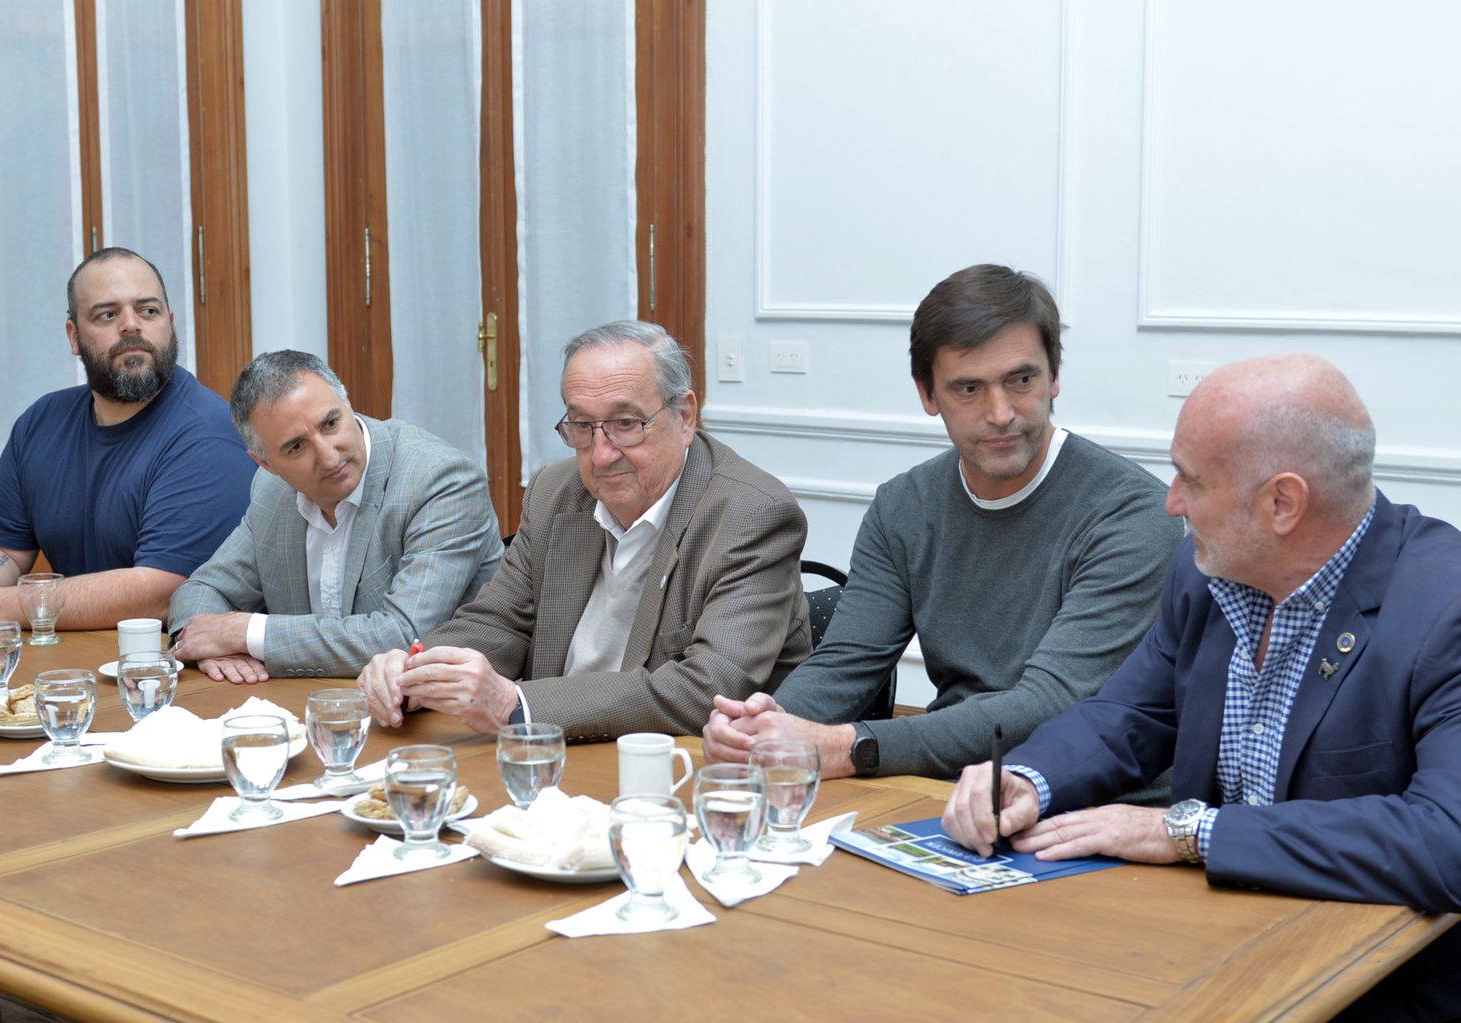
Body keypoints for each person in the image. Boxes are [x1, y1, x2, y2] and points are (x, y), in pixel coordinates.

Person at [943, 354, 1461, 1019]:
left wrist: (1187, 833)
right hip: (1203, 958)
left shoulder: (1442, 606)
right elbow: (1127, 713)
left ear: (1282, 502)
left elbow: (1446, 839)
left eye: (1191, 479)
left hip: (1369, 988)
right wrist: (1026, 779)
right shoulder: (1204, 571)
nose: (1171, 502)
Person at [703, 265, 1182, 782]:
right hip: (950, 787)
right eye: (969, 389)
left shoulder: (1133, 512)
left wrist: (853, 745)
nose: (1001, 413)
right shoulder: (904, 505)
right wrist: (765, 725)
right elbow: (846, 663)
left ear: (1055, 376)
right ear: (928, 395)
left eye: (1022, 380)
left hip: (1091, 801)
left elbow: (1052, 705)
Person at [355, 320, 811, 741]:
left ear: (685, 416)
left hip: (684, 769)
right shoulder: (556, 492)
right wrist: (416, 669)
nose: (601, 455)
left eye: (626, 424)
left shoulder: (752, 514)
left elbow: (707, 688)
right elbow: (501, 621)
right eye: (582, 426)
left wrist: (518, 705)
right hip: (550, 757)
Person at [0, 247, 253, 629]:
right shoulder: (40, 423)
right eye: (107, 314)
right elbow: (0, 550)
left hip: (178, 673)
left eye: (148, 311)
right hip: (73, 665)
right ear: (74, 336)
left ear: (171, 323)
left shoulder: (208, 434)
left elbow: (160, 593)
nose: (131, 326)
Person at [167, 351, 504, 681]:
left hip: (444, 716)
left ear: (348, 404)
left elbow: (403, 637)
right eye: (296, 447)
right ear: (266, 465)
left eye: (330, 424)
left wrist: (248, 633)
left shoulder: (439, 480)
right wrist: (211, 646)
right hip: (316, 707)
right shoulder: (272, 491)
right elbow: (201, 589)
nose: (329, 458)